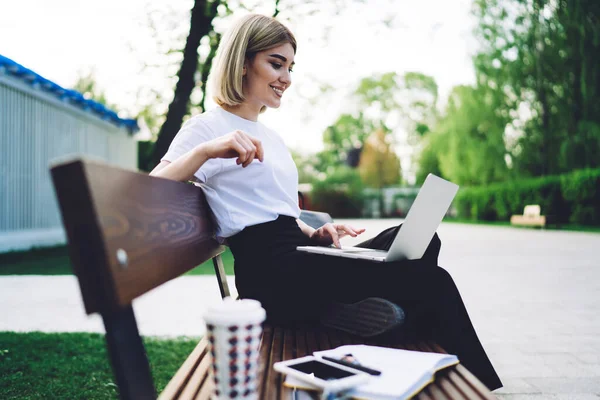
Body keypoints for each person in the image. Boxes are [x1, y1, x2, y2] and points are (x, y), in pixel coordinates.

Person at [150, 14, 502, 391]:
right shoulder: (207, 127)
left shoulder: (272, 137)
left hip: (296, 259)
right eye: (275, 63)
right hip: (271, 276)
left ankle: (352, 316)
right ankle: (476, 385)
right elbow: (153, 187)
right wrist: (206, 151)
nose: (286, 77)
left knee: (419, 241)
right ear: (242, 63)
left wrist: (314, 233)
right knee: (430, 279)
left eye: (290, 67)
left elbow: (277, 213)